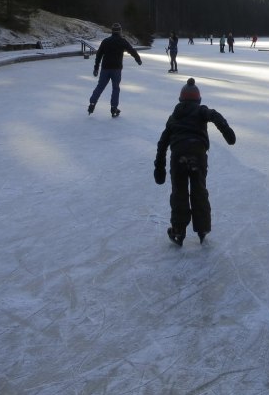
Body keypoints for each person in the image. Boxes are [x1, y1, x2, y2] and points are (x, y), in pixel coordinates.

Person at [154, 78, 236, 246]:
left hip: (178, 157)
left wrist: (159, 168)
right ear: (198, 100)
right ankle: (203, 228)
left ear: (181, 100)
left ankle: (178, 230)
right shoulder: (201, 111)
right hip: (198, 155)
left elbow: (162, 143)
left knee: (179, 192)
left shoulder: (173, 117)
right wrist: (227, 132)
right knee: (199, 189)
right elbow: (215, 115)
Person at [88, 22, 143, 117]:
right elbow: (132, 50)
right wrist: (138, 59)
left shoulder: (105, 41)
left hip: (105, 68)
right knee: (115, 88)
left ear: (112, 31)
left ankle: (92, 103)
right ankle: (113, 107)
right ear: (120, 31)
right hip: (116, 69)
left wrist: (96, 68)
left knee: (100, 86)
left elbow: (99, 55)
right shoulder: (122, 41)